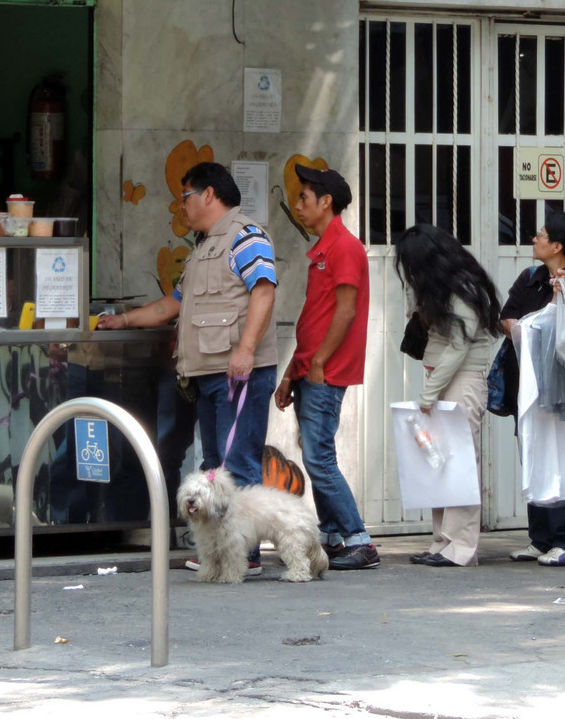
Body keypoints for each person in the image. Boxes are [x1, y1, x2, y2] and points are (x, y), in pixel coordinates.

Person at [96, 161, 277, 575]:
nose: (181, 207)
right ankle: (220, 553)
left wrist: (246, 350)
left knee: (238, 463)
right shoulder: (202, 247)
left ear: (209, 195)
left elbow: (264, 292)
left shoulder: (245, 237)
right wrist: (122, 320)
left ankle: (244, 555)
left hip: (238, 373)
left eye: (185, 197)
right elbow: (170, 305)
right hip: (209, 375)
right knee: (215, 465)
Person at [272, 164, 378, 570]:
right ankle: (333, 535)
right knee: (317, 452)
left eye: (304, 198)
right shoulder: (324, 247)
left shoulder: (344, 247)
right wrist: (292, 372)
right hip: (311, 368)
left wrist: (316, 362)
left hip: (325, 370)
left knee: (318, 458)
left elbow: (346, 311)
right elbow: (317, 316)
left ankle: (358, 538)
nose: (298, 205)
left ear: (326, 201)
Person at [391, 223, 501, 567]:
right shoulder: (443, 287)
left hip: (461, 382)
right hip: (442, 380)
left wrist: (428, 394)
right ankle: (442, 542)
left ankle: (461, 547)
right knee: (438, 463)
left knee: (460, 466)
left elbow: (458, 347)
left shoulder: (463, 289)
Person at [499, 210, 565, 567]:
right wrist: (523, 329)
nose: (534, 239)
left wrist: (560, 302)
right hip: (531, 382)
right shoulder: (530, 277)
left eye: (540, 235)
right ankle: (540, 538)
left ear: (557, 245)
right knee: (536, 453)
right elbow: (507, 317)